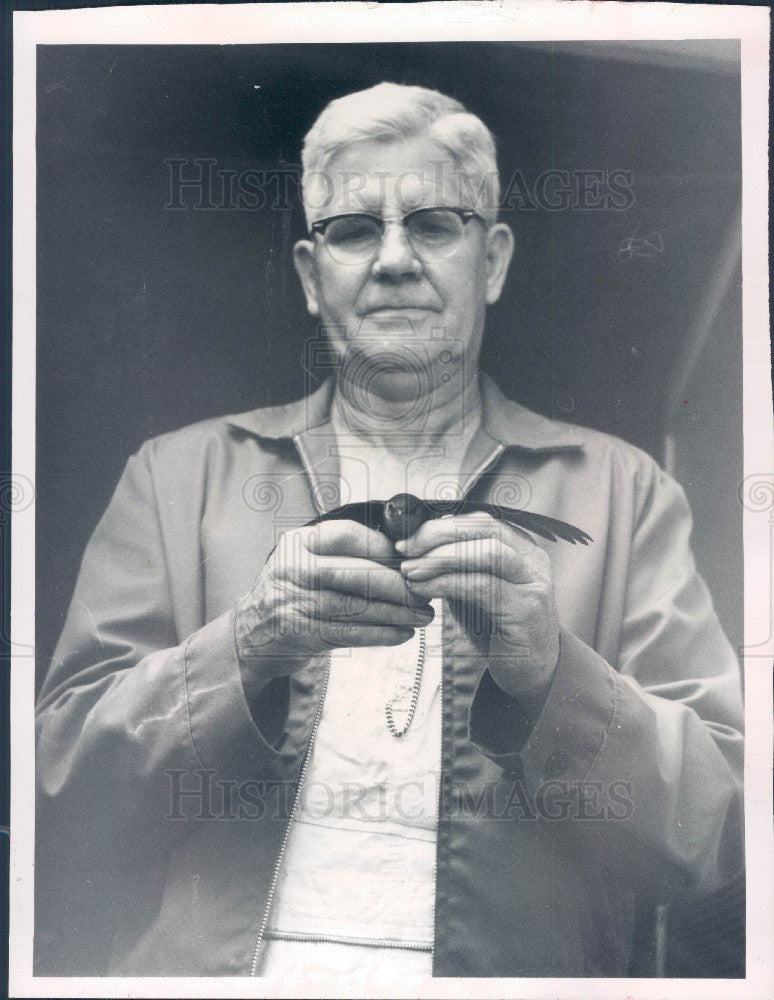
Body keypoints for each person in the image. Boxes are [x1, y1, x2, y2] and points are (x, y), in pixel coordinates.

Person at [35, 82, 743, 980]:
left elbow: (721, 835)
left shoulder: (622, 491)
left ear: (492, 261)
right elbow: (56, 803)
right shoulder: (176, 476)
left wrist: (554, 676)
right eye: (356, 229)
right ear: (309, 272)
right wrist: (244, 646)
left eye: (436, 225)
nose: (396, 259)